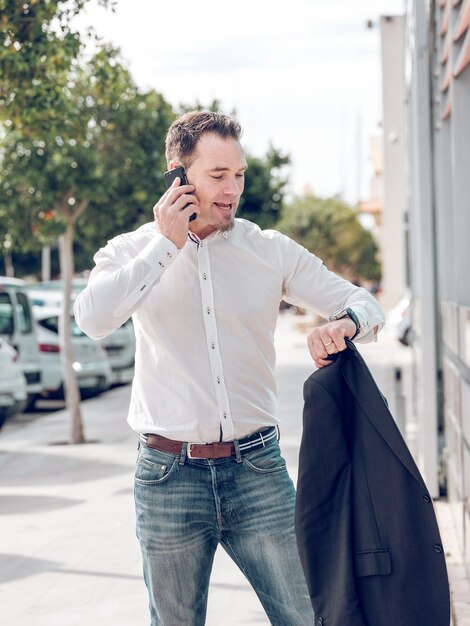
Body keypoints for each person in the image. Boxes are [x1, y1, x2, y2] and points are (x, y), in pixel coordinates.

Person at [74, 110, 385, 626]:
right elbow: (93, 319)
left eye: (238, 175)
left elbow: (363, 303)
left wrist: (347, 324)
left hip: (258, 472)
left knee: (310, 617)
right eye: (217, 176)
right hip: (167, 476)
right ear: (178, 174)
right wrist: (167, 244)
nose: (232, 189)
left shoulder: (269, 250)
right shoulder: (131, 252)